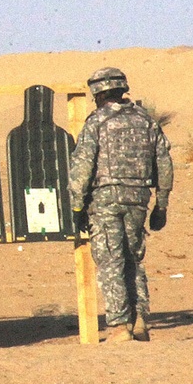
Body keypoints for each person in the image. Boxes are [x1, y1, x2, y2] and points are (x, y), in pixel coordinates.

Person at [68, 67, 173, 342]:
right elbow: (163, 163)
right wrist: (161, 205)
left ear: (98, 93)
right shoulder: (147, 121)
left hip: (105, 201)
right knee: (133, 259)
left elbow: (81, 168)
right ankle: (140, 321)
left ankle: (119, 326)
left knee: (110, 261)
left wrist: (77, 207)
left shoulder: (97, 122)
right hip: (139, 199)